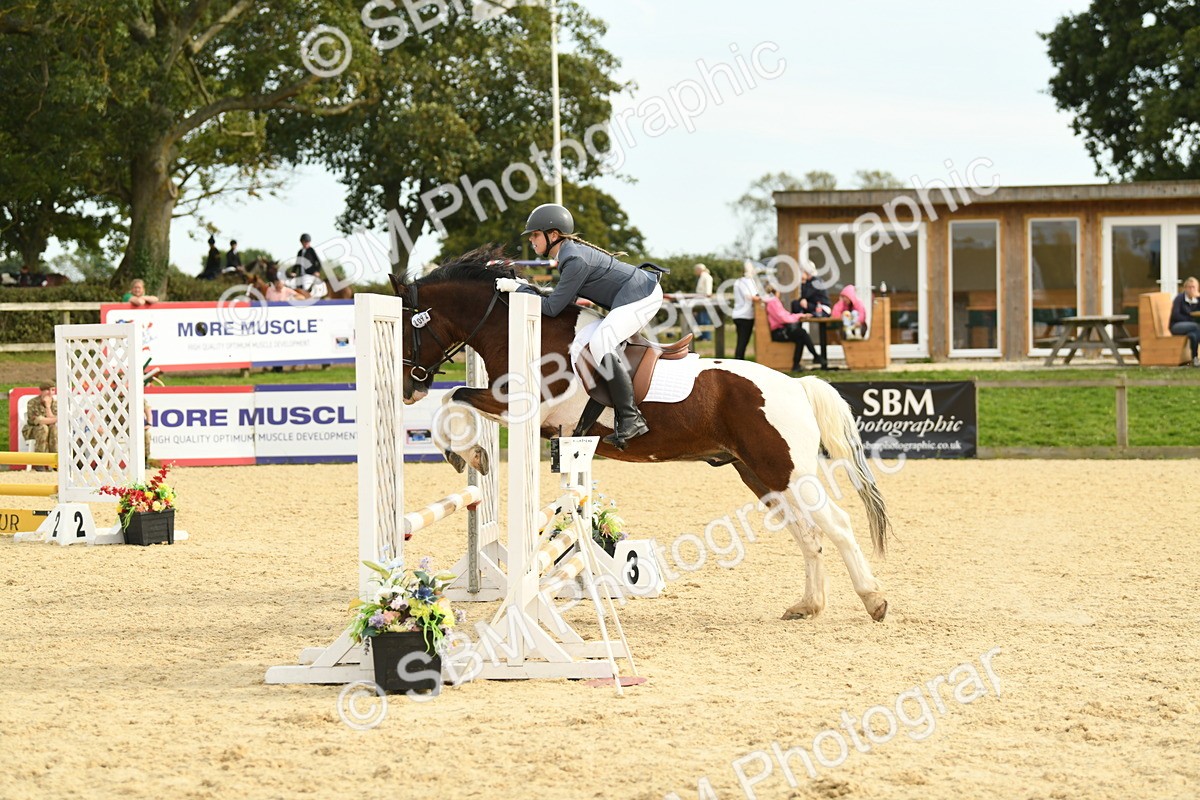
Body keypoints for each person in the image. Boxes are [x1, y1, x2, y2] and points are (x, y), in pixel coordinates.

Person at [497, 203, 664, 449]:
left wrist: (520, 289)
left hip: (642, 295)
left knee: (601, 342)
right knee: (596, 341)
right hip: (634, 294)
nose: (531, 240)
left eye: (534, 234)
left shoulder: (573, 259)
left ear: (552, 235)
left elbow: (553, 307)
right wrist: (525, 288)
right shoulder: (568, 256)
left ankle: (631, 418)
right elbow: (562, 301)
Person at [758, 286, 822, 371]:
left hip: (781, 331)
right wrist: (799, 316)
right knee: (802, 333)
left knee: (800, 338)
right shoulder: (773, 301)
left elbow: (785, 315)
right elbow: (783, 318)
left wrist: (800, 316)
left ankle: (797, 365)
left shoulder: (772, 301)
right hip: (779, 332)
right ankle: (815, 356)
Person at [22, 381, 57, 469]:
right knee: (43, 428)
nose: (50, 393)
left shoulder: (55, 403)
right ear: (41, 391)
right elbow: (37, 420)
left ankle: (55, 461)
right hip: (33, 430)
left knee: (54, 429)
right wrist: (51, 420)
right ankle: (39, 462)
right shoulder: (32, 402)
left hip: (50, 429)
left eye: (52, 390)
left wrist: (48, 406)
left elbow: (56, 419)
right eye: (47, 390)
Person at [1170, 276, 1200, 366]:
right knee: (1196, 326)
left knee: (1193, 335)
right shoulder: (1179, 298)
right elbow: (1175, 315)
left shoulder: (1198, 299)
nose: (1191, 289)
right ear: (1185, 288)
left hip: (1192, 328)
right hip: (1177, 326)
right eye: (1189, 287)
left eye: (1193, 287)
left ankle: (1194, 358)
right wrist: (1190, 318)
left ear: (1197, 288)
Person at [732, 262, 758, 360]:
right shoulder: (747, 281)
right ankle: (738, 361)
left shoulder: (738, 281)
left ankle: (739, 360)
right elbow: (749, 296)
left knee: (741, 340)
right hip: (745, 316)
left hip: (738, 314)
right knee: (743, 341)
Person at [693, 263, 713, 341]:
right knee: (700, 319)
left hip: (704, 301)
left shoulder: (706, 277)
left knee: (704, 319)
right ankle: (701, 336)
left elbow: (708, 292)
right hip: (700, 300)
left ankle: (706, 337)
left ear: (699, 269)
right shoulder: (701, 277)